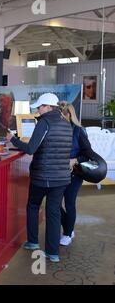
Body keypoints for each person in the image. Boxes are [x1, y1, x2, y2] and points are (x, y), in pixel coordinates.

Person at [6, 93, 72, 262]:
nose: (38, 110)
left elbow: (30, 149)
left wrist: (13, 139)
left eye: (40, 107)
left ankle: (33, 242)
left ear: (48, 107)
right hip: (62, 177)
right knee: (53, 212)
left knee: (33, 205)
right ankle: (53, 253)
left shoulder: (44, 122)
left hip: (43, 176)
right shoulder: (66, 123)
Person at [58, 101, 95, 246]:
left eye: (61, 116)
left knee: (69, 203)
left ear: (68, 114)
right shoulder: (57, 129)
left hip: (75, 174)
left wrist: (75, 160)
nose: (59, 119)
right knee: (54, 204)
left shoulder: (79, 131)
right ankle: (69, 228)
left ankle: (67, 234)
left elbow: (88, 154)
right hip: (59, 172)